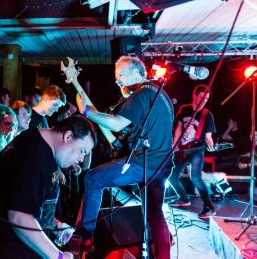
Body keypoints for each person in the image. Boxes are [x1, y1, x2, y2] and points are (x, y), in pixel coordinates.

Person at [75, 56, 174, 259]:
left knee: (92, 178)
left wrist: (85, 111)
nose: (117, 80)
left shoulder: (141, 95)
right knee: (154, 214)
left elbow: (117, 124)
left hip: (143, 164)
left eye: (120, 75)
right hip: (163, 165)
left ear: (137, 72)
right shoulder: (161, 94)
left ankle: (85, 236)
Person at [0, 115, 96, 259]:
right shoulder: (35, 159)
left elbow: (25, 199)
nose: (82, 159)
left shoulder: (40, 142)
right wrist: (58, 256)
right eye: (82, 151)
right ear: (68, 136)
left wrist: (54, 223)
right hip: (1, 248)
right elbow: (20, 217)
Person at [169, 84, 216, 218]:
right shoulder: (184, 109)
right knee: (172, 177)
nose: (204, 100)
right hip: (182, 149)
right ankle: (184, 199)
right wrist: (175, 145)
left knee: (195, 177)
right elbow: (178, 128)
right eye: (202, 97)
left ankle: (209, 207)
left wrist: (211, 145)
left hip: (197, 149)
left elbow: (208, 137)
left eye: (207, 98)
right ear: (194, 95)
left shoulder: (207, 115)